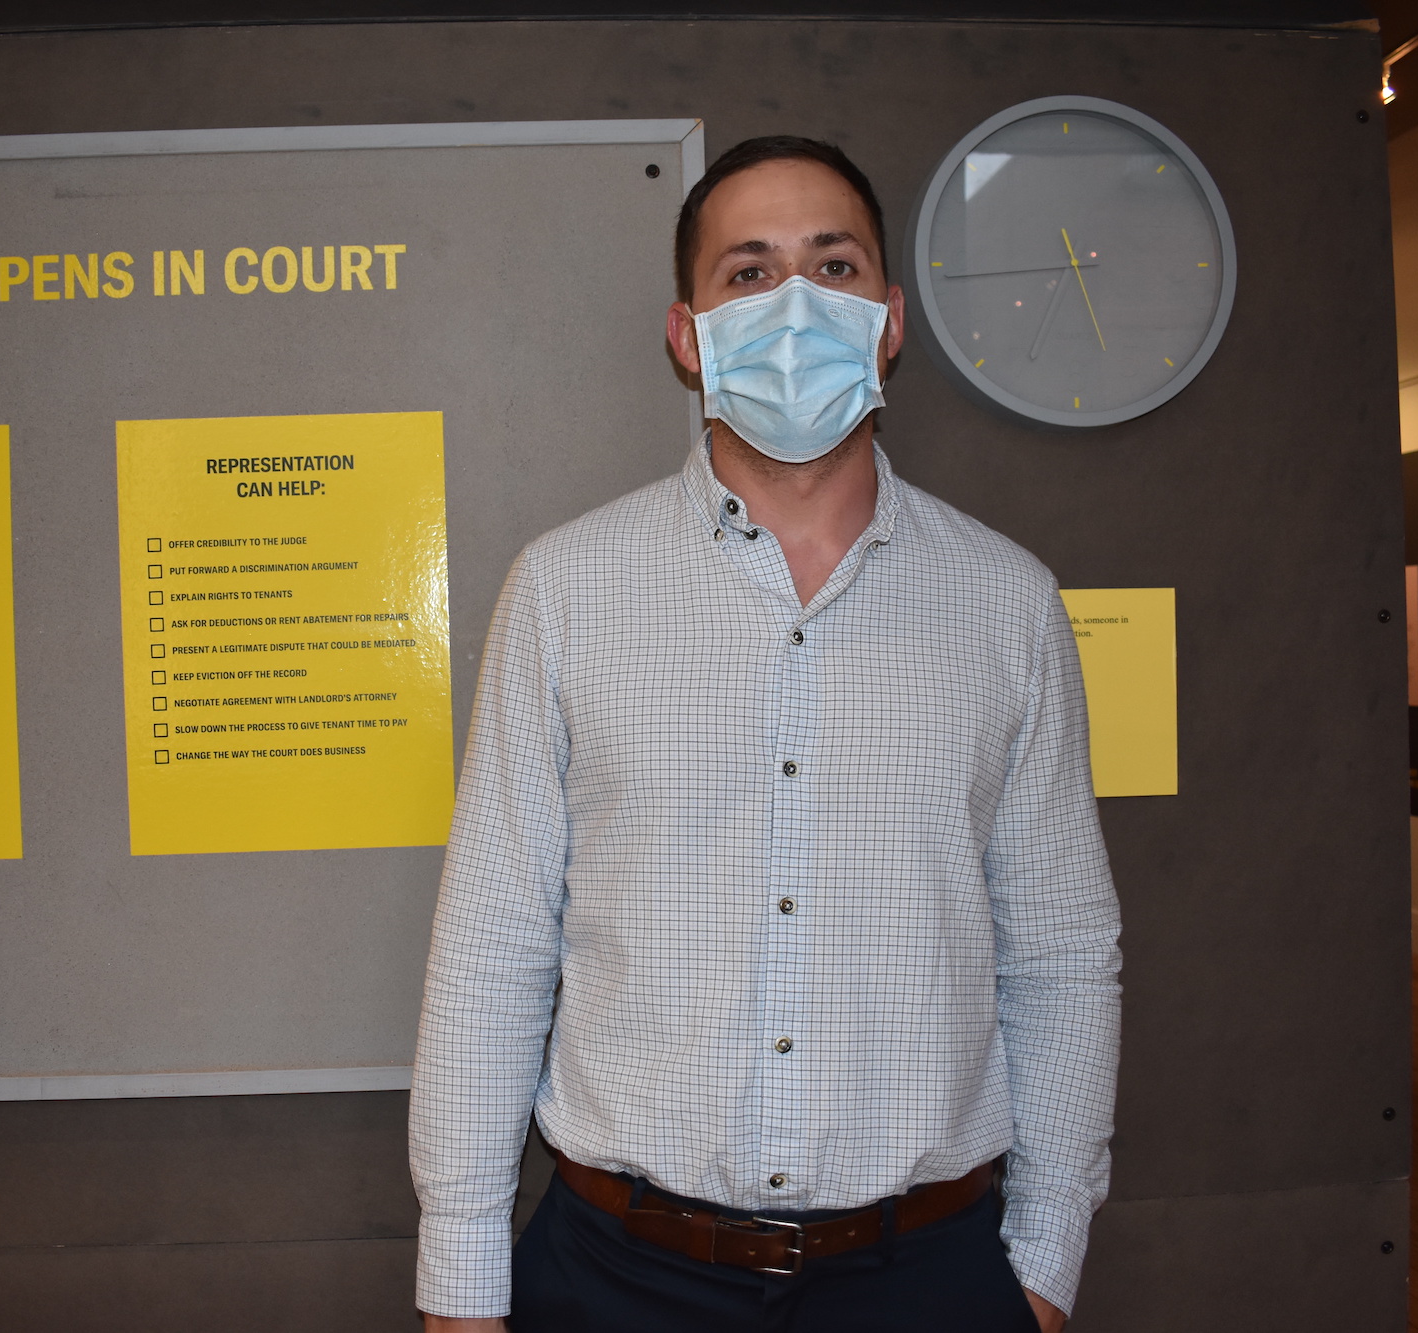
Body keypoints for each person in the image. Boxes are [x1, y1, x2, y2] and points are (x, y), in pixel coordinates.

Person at [409, 135, 1122, 1333]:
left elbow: (1057, 951)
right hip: (617, 1277)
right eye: (747, 272)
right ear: (686, 336)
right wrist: (462, 1282)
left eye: (831, 265)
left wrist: (1044, 1261)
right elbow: (493, 945)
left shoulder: (1005, 602)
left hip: (924, 1280)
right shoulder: (566, 589)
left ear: (888, 322)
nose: (794, 302)